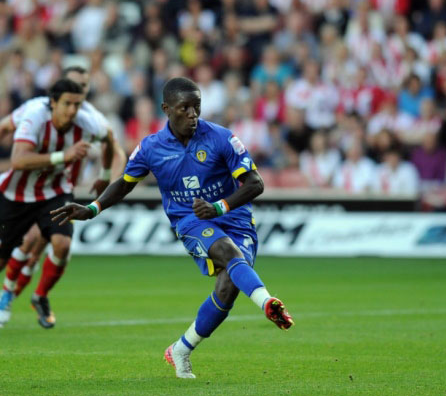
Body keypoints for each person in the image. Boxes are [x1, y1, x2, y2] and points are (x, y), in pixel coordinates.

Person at [50, 77, 294, 379]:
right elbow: (125, 184)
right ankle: (268, 302)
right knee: (228, 254)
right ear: (167, 109)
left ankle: (181, 349)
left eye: (197, 107)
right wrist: (92, 208)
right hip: (190, 220)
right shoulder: (151, 148)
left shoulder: (222, 138)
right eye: (185, 108)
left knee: (228, 288)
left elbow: (256, 183)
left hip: (235, 218)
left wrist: (219, 207)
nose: (193, 114)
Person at [0, 66, 125, 320]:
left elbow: (112, 143)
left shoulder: (90, 118)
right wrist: (64, 156)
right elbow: (15, 152)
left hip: (57, 190)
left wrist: (104, 179)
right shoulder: (35, 110)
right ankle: (10, 293)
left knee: (60, 243)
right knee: (22, 247)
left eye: (83, 90)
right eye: (68, 98)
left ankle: (30, 296)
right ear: (54, 98)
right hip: (19, 191)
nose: (73, 108)